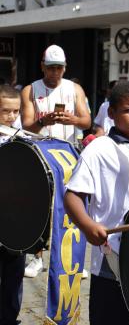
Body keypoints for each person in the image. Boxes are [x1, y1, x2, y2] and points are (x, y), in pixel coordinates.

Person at [64, 81, 129, 325]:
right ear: (112, 114)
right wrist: (88, 226)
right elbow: (72, 196)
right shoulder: (99, 149)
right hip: (111, 254)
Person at [21, 44, 91, 278]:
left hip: (68, 154)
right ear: (42, 67)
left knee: (73, 206)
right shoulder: (31, 90)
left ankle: (72, 258)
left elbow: (86, 121)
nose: (55, 73)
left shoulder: (74, 89)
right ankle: (37, 257)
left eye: (59, 68)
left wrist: (71, 119)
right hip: (40, 153)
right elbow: (27, 124)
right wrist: (45, 120)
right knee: (41, 206)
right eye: (51, 68)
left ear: (65, 67)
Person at [0, 85, 25, 325]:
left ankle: (9, 319)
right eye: (5, 111)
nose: (11, 116)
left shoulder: (22, 138)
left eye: (16, 111)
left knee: (14, 275)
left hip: (15, 220)